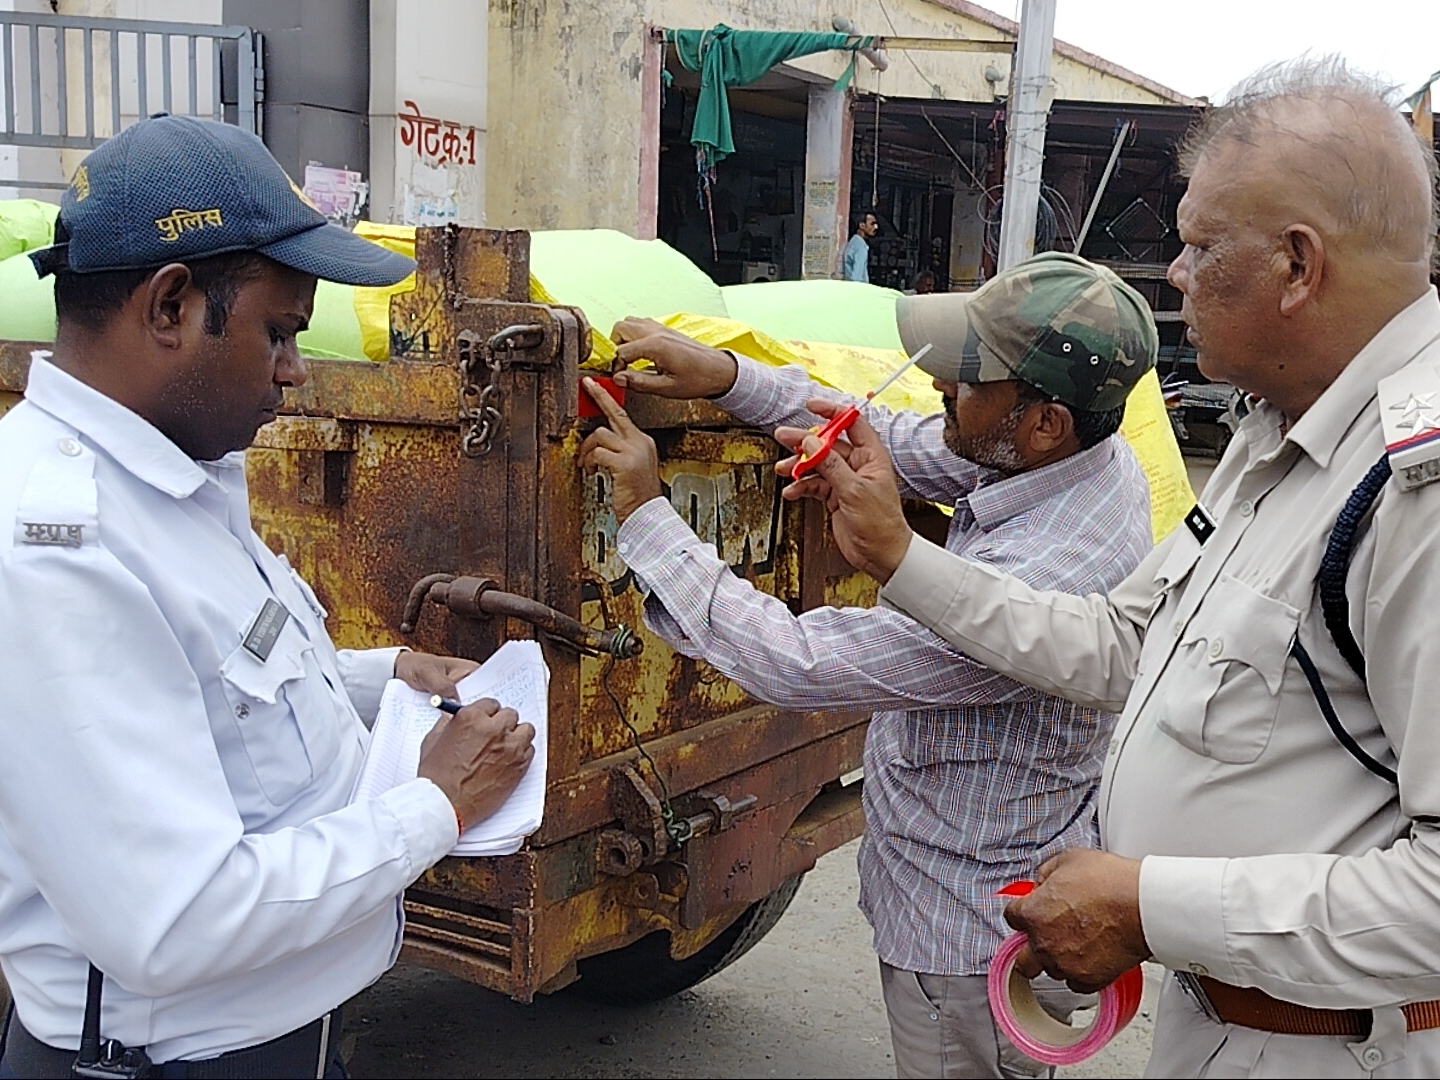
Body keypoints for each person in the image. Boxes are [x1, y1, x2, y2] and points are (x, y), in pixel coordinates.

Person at [785, 58, 1440, 1077]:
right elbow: (1120, 642)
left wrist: (1147, 904)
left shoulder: (1417, 494)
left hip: (1329, 1045)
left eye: (1197, 247)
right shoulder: (1283, 433)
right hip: (1222, 1018)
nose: (1175, 276)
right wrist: (903, 561)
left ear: (1297, 267)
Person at [0, 115, 536, 1078]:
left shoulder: (174, 474)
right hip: (175, 1059)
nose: (294, 369)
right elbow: (174, 920)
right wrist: (434, 806)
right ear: (169, 306)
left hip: (273, 1031)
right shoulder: (59, 549)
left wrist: (383, 678)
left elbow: (208, 688)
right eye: (279, 332)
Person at [577, 249, 1159, 1079]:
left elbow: (792, 658)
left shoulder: (1023, 595)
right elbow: (899, 437)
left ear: (1042, 422)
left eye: (965, 374)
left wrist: (645, 514)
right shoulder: (1080, 460)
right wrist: (725, 375)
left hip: (966, 936)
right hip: (978, 878)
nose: (936, 387)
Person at [844, 212, 878, 282]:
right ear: (862, 225)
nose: (876, 227)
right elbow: (857, 276)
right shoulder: (861, 246)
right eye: (872, 224)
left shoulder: (853, 242)